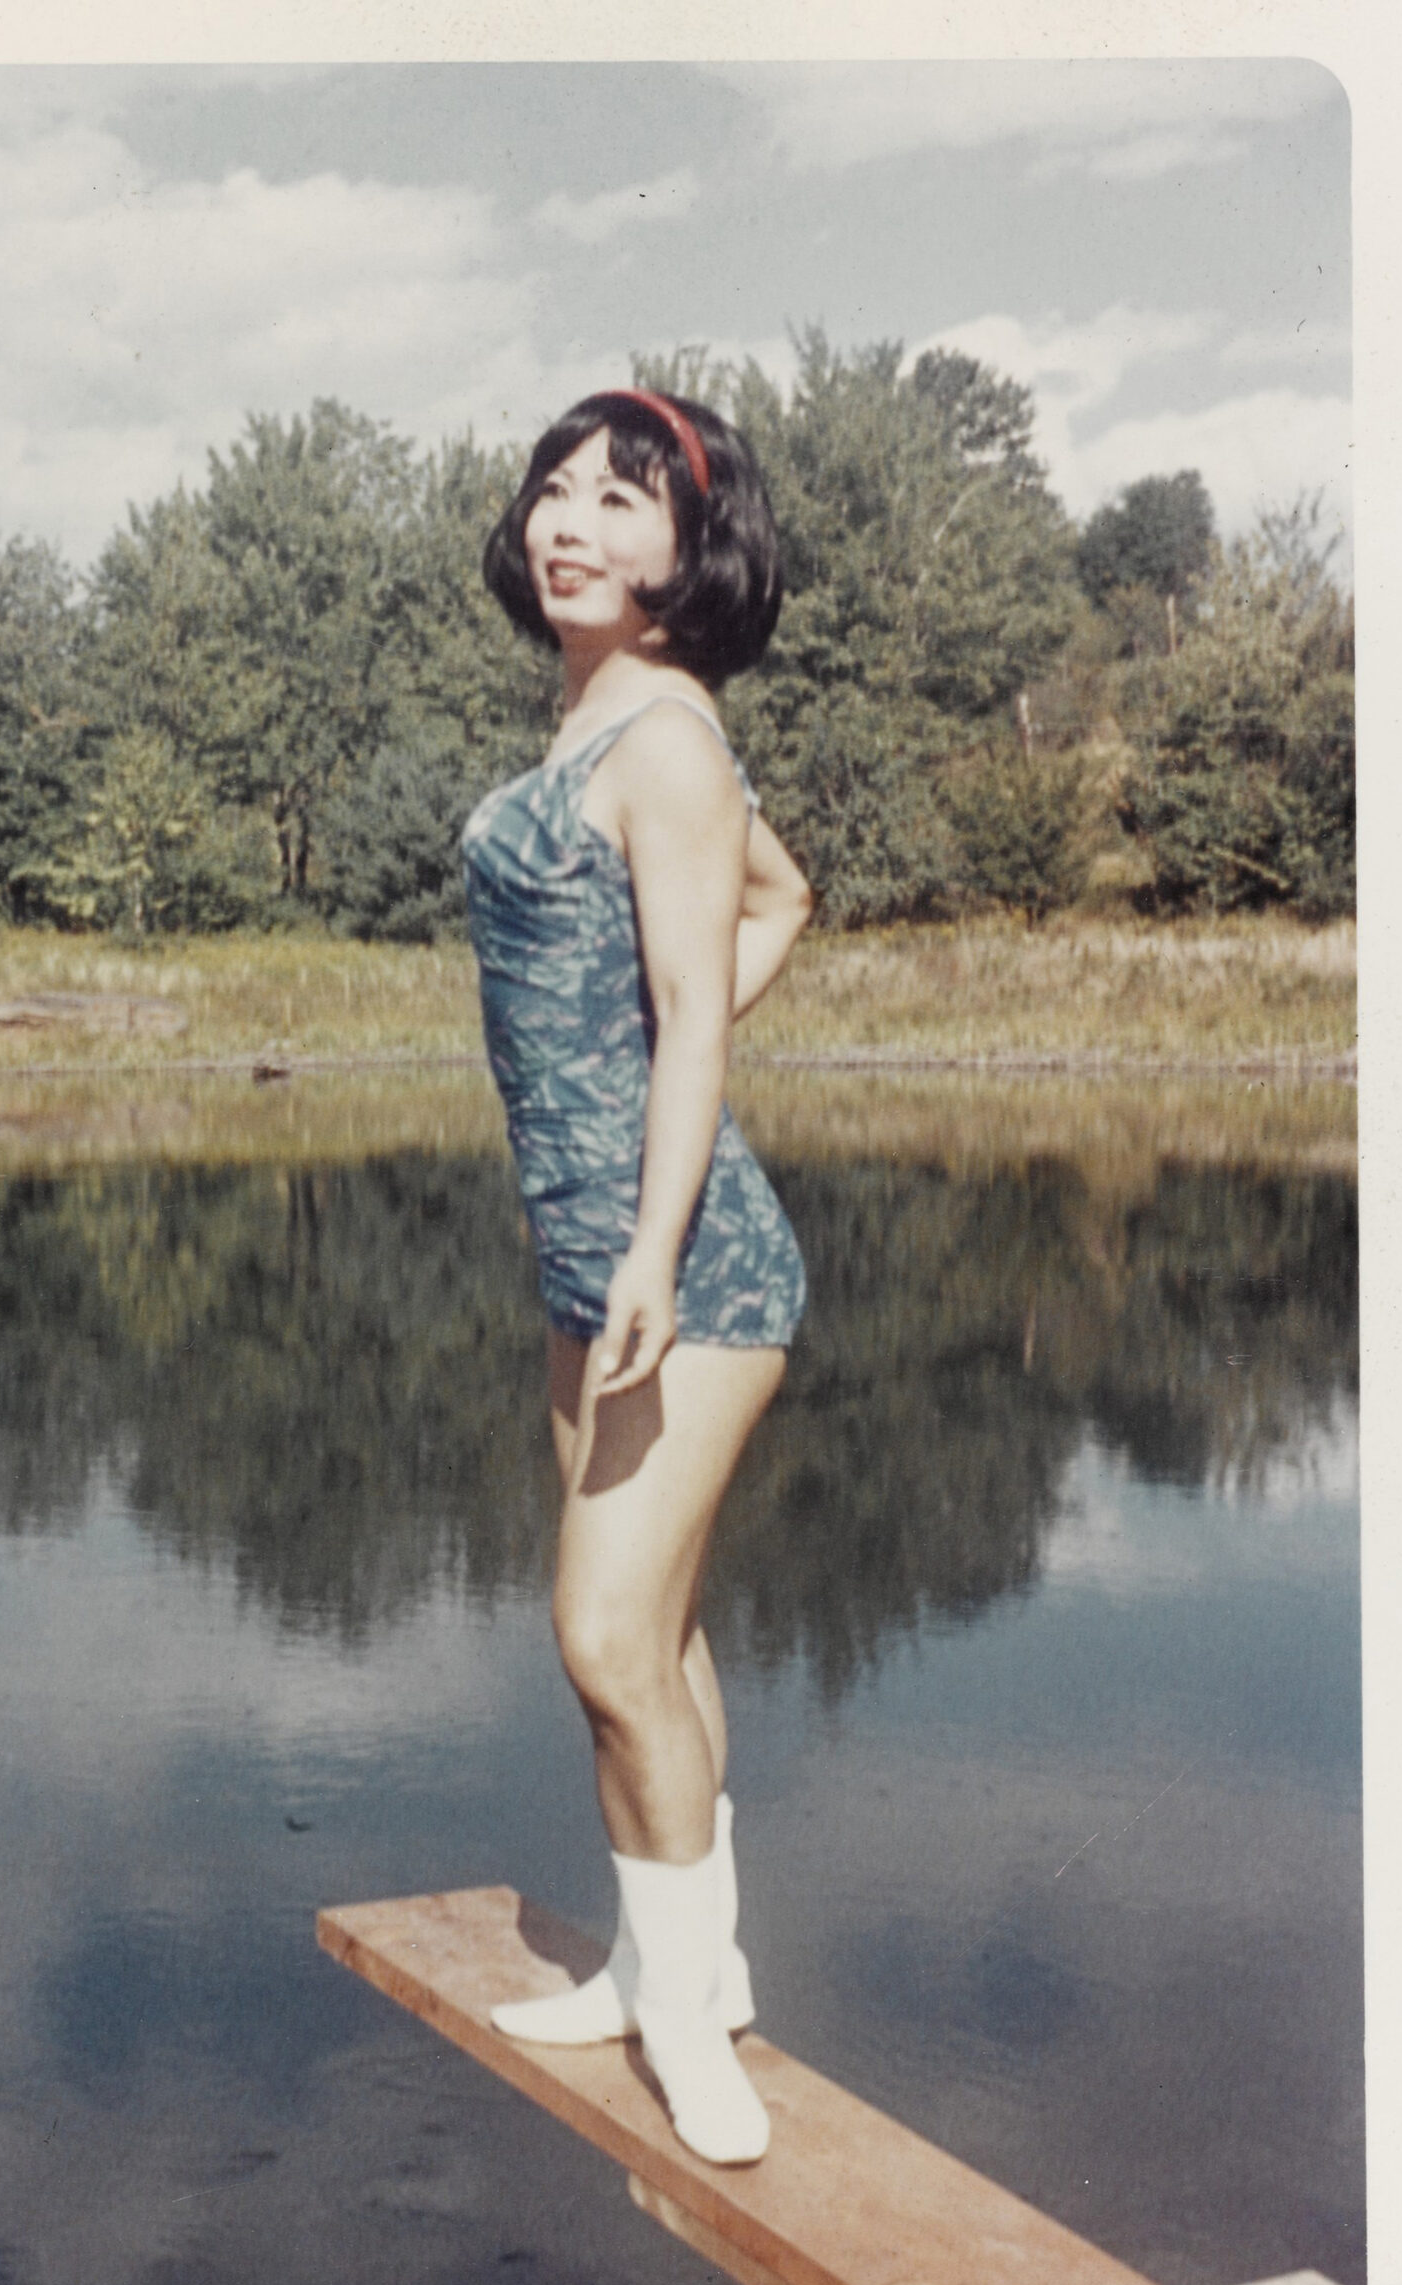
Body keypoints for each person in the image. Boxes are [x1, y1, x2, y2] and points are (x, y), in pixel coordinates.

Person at [461, 389, 812, 2165]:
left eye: (620, 495)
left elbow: (692, 1028)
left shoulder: (663, 739)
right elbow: (783, 897)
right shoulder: (607, 721)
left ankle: (684, 2023)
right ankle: (685, 1965)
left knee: (601, 1636)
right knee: (654, 1636)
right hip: (590, 1256)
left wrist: (656, 1244)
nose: (568, 518)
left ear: (692, 543)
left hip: (684, 1268)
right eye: (553, 487)